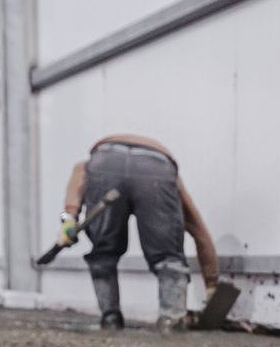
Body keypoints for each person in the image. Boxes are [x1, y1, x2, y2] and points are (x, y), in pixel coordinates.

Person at [56, 135, 220, 331]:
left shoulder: (88, 163)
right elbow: (198, 230)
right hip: (155, 168)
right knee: (168, 257)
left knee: (104, 251)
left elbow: (79, 174)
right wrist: (212, 284)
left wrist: (69, 218)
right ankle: (171, 319)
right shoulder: (169, 174)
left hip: (105, 164)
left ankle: (110, 318)